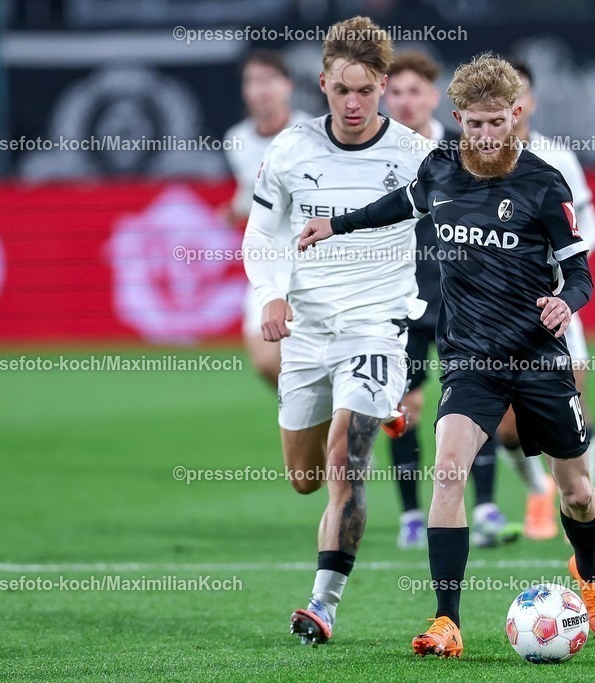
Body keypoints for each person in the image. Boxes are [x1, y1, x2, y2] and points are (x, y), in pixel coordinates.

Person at [299, 53, 595, 659]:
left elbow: (580, 273)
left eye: (497, 122)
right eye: (474, 124)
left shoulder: (546, 184)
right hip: (470, 357)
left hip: (537, 359)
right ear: (458, 118)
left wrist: (564, 304)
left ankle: (590, 574)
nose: (485, 136)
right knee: (449, 471)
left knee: (575, 490)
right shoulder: (440, 168)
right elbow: (397, 205)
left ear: (516, 115)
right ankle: (447, 621)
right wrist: (334, 225)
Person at [241, 16, 426, 646]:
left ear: (382, 85)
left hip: (376, 326)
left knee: (347, 459)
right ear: (322, 83)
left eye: (366, 90)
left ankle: (322, 604)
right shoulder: (290, 150)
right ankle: (383, 410)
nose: (354, 104)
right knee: (305, 477)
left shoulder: (414, 155)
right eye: (342, 89)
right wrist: (270, 295)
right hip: (307, 332)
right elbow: (261, 235)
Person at [382, 50, 513, 550]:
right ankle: (413, 516)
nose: (406, 100)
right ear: (386, 97)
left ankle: (484, 508)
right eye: (397, 92)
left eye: (416, 91)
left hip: (463, 298)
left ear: (435, 98)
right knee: (405, 407)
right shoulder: (379, 154)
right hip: (403, 298)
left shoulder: (468, 152)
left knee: (473, 401)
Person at [493, 59, 595, 540]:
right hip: (495, 314)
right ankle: (538, 487)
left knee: (571, 408)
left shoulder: (558, 159)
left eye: (519, 95)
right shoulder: (470, 162)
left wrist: (566, 265)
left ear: (529, 103)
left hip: (553, 304)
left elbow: (587, 224)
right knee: (508, 430)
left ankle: (579, 499)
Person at [223, 50, 310, 386]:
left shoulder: (309, 134)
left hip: (310, 260)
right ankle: (316, 414)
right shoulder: (237, 140)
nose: (260, 90)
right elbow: (251, 192)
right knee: (264, 360)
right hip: (267, 260)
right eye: (252, 81)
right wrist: (235, 209)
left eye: (268, 80)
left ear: (286, 85)